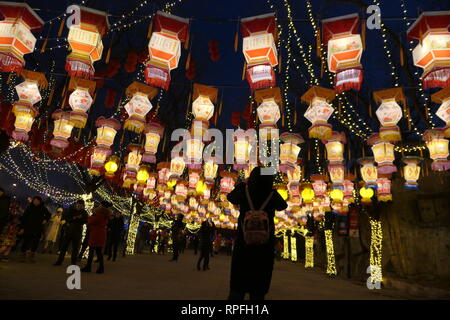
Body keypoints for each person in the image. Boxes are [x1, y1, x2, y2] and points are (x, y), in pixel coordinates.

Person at [227, 166, 287, 300]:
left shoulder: (244, 190)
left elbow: (230, 197)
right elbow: (283, 206)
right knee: (258, 290)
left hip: (244, 245)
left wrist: (243, 183)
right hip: (264, 248)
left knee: (237, 289)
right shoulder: (272, 194)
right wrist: (272, 191)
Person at [54, 200, 88, 266]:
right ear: (76, 204)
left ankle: (73, 263)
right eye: (78, 205)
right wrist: (75, 217)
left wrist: (81, 218)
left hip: (78, 231)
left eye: (81, 206)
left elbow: (85, 221)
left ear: (83, 206)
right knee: (64, 247)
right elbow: (66, 218)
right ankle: (59, 261)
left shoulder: (84, 212)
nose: (79, 207)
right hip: (69, 230)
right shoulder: (71, 210)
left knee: (75, 248)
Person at [17, 196, 51, 263]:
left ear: (40, 202)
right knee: (26, 241)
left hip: (37, 228)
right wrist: (22, 228)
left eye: (37, 201)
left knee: (35, 242)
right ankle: (22, 256)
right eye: (35, 200)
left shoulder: (43, 208)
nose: (36, 202)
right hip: (28, 227)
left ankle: (31, 257)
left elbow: (48, 215)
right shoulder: (29, 207)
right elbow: (24, 218)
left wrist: (45, 220)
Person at [81, 201, 111, 274]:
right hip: (101, 233)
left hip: (96, 233)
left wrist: (90, 217)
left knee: (92, 250)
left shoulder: (99, 213)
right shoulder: (105, 214)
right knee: (98, 251)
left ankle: (89, 267)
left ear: (102, 206)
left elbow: (92, 221)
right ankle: (101, 268)